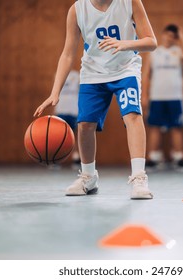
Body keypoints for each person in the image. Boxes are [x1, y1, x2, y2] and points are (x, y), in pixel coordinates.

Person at [34, 0, 157, 199]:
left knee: (132, 115)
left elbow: (151, 42)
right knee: (84, 124)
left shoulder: (130, 2)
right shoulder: (77, 10)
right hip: (93, 72)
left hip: (126, 69)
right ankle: (89, 177)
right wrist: (55, 91)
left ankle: (139, 177)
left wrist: (125, 44)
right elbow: (67, 54)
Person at [143, 24, 183, 171]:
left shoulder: (178, 52)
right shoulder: (154, 53)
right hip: (157, 97)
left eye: (173, 36)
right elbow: (146, 76)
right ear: (163, 34)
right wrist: (145, 95)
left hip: (175, 97)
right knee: (155, 127)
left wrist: (182, 36)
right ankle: (153, 158)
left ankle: (178, 158)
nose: (170, 38)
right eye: (168, 34)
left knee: (176, 127)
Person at [54, 70, 81, 168]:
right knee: (59, 136)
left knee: (74, 135)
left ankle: (76, 157)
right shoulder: (59, 75)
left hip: (73, 110)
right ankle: (56, 158)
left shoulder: (78, 76)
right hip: (61, 110)